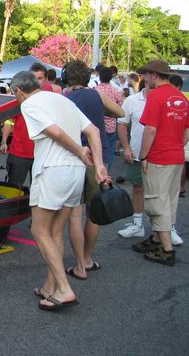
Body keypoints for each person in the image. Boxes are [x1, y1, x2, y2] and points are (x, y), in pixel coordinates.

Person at [10, 71, 107, 311]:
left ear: (19, 91)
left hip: (53, 171)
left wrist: (78, 150)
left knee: (39, 230)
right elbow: (93, 130)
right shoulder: (64, 99)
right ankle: (49, 287)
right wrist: (100, 165)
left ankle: (64, 289)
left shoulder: (30, 104)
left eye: (15, 95)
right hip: (75, 173)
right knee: (55, 231)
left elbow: (54, 132)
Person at [63, 60, 124, 280]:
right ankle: (88, 259)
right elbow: (120, 112)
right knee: (94, 213)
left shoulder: (65, 98)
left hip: (74, 156)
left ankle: (78, 264)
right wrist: (103, 112)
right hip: (99, 157)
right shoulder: (97, 95)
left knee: (74, 214)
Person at [132, 61, 189, 266]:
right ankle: (157, 239)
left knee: (156, 202)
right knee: (168, 200)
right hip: (176, 157)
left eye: (146, 76)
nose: (145, 80)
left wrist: (143, 156)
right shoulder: (181, 97)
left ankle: (166, 250)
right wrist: (177, 145)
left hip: (159, 157)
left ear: (154, 75)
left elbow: (150, 129)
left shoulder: (156, 96)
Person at [117, 78, 148, 238]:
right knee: (137, 188)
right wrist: (126, 148)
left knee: (163, 194)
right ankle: (137, 224)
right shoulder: (132, 101)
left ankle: (168, 229)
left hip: (159, 156)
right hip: (137, 154)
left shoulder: (168, 100)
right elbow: (122, 124)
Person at [95, 66, 124, 170]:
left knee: (98, 149)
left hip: (97, 125)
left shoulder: (95, 90)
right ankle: (107, 171)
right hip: (111, 126)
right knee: (110, 151)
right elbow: (121, 106)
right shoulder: (115, 92)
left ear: (99, 76)